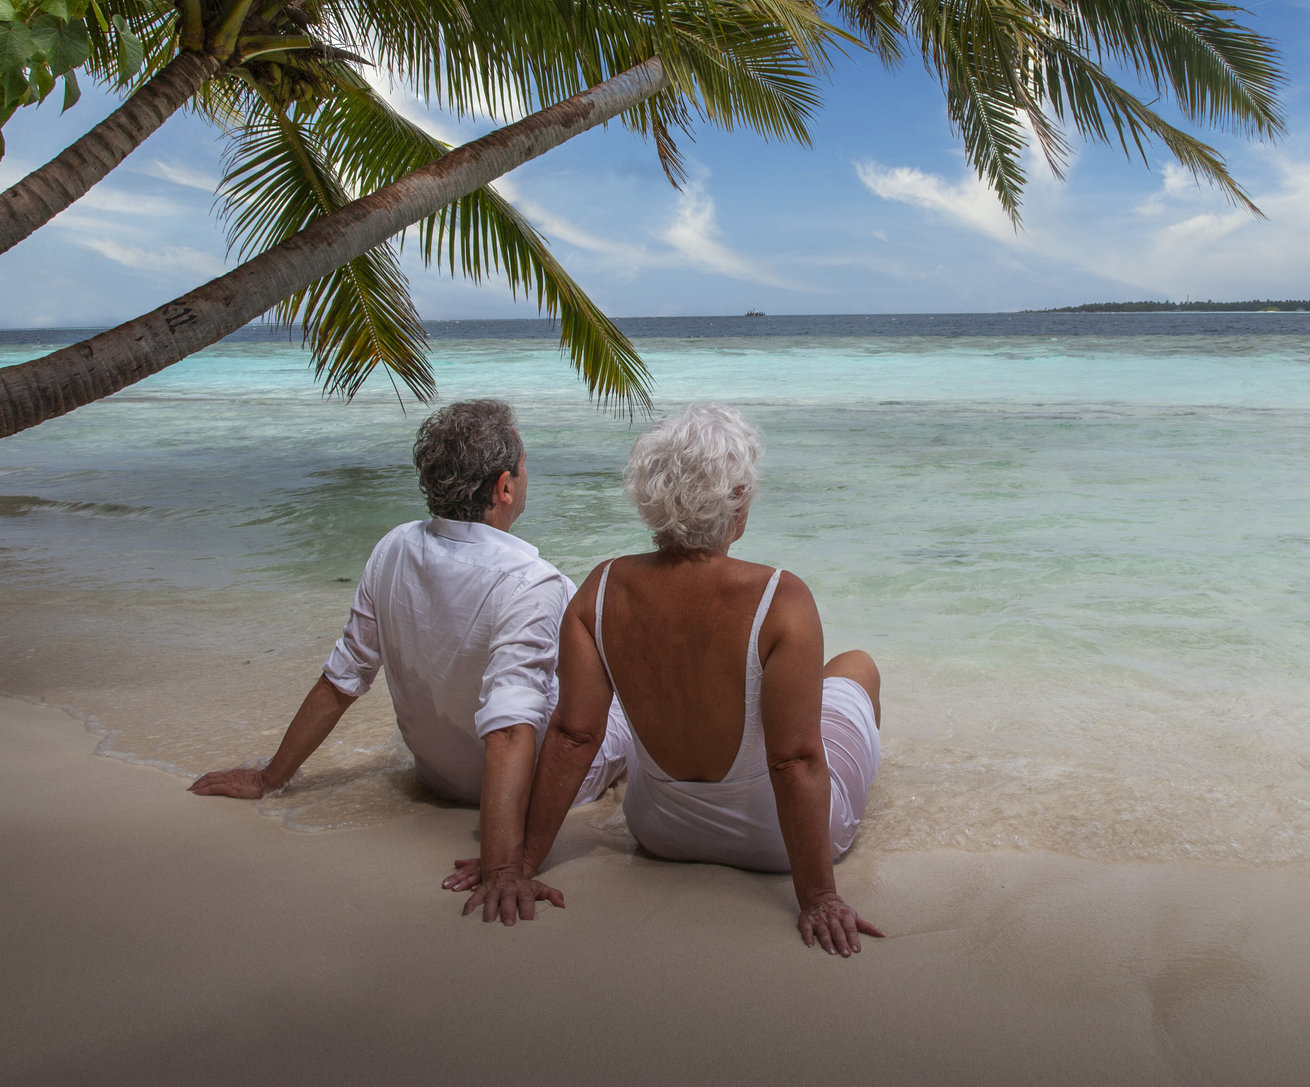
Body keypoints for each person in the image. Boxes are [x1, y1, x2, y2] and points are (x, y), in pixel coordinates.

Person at [454, 403, 884, 956]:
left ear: (650, 496)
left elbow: (573, 736)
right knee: (856, 667)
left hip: (660, 831)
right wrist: (819, 897)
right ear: (738, 499)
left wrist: (516, 863)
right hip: (777, 843)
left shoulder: (602, 588)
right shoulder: (782, 597)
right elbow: (795, 759)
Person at [190, 399, 628, 919]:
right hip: (527, 792)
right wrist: (504, 868)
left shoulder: (394, 547)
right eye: (524, 466)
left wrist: (269, 777)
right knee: (618, 689)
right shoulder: (536, 583)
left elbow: (342, 679)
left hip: (438, 777)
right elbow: (512, 729)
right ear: (505, 487)